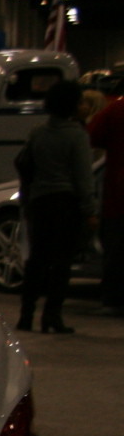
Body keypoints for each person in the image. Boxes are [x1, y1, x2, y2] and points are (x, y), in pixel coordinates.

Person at [14, 79, 98, 334]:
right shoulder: (77, 135)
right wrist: (90, 210)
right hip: (65, 204)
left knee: (37, 260)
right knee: (61, 263)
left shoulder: (38, 132)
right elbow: (84, 177)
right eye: (81, 101)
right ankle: (52, 316)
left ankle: (26, 315)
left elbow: (25, 164)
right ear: (71, 105)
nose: (85, 106)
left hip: (40, 202)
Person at [86, 88, 124, 316]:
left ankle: (114, 298)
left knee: (117, 249)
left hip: (118, 195)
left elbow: (93, 135)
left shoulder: (116, 110)